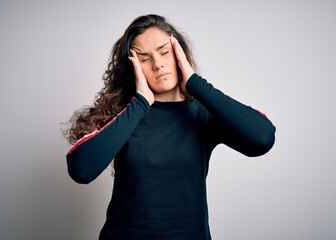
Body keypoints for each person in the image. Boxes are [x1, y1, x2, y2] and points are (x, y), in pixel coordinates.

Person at [64, 14, 276, 240]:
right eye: (144, 58)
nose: (158, 64)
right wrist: (140, 104)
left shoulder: (203, 115)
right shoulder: (127, 115)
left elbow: (262, 138)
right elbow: (81, 170)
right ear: (133, 67)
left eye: (165, 52)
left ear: (180, 54)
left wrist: (195, 84)